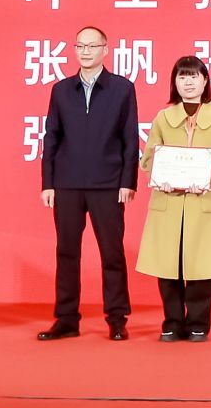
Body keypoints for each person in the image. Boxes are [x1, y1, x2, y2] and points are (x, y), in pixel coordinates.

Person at [37, 25, 138, 341]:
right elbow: (51, 137)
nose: (85, 52)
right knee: (66, 252)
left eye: (92, 46)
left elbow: (130, 138)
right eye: (80, 46)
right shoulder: (61, 90)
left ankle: (117, 319)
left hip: (108, 183)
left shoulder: (122, 88)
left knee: (112, 253)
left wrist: (128, 181)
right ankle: (66, 319)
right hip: (67, 183)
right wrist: (48, 182)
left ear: (105, 50)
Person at [136, 56, 211, 343]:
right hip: (169, 201)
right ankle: (171, 322)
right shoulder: (163, 118)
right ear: (174, 82)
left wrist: (203, 175)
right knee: (168, 265)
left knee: (202, 266)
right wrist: (161, 170)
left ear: (205, 81)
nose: (188, 82)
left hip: (203, 202)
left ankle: (198, 324)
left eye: (194, 76)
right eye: (182, 77)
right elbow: (147, 159)